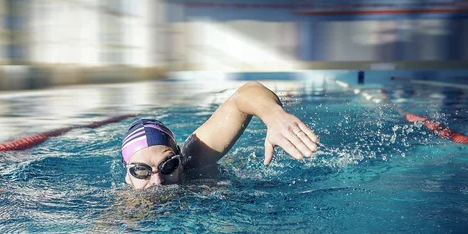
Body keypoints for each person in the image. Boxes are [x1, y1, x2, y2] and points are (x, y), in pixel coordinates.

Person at [122, 81, 320, 189]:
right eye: (141, 171)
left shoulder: (193, 158)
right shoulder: (122, 213)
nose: (158, 182)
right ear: (127, 176)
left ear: (180, 161)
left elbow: (245, 94)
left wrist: (274, 116)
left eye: (168, 165)